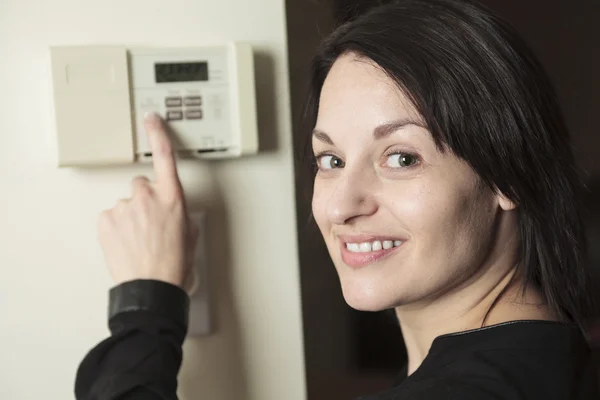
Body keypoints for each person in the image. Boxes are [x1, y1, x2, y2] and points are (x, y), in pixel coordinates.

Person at [74, 0, 599, 398]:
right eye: (330, 160)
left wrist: (145, 305)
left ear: (506, 170)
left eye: (401, 158)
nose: (341, 206)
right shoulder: (541, 358)